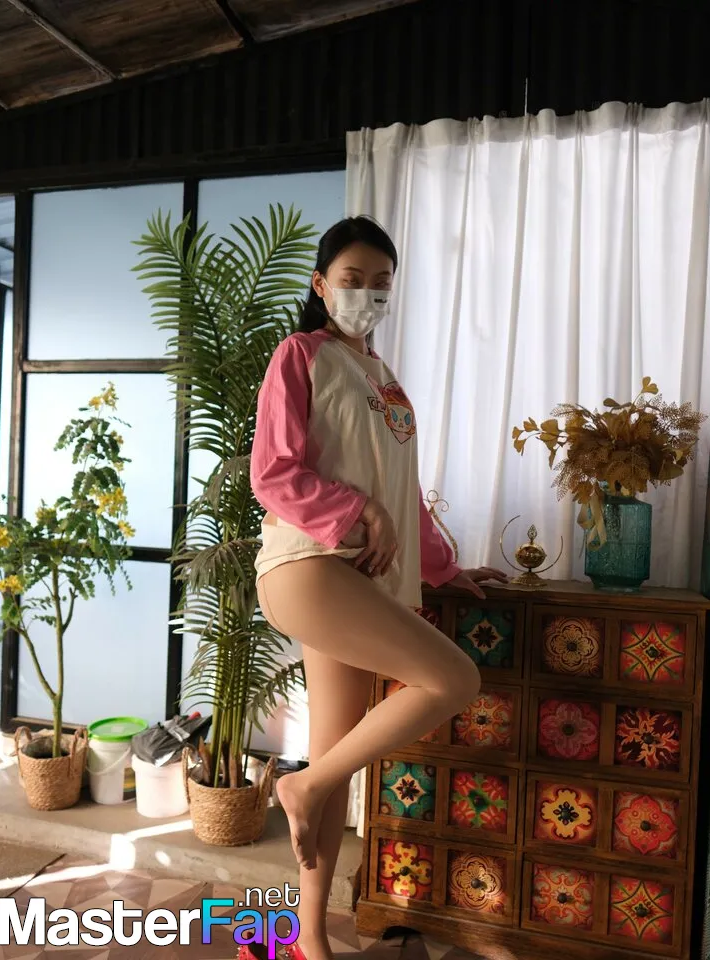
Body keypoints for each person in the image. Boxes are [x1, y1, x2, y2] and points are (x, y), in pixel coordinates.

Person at [244, 216, 508, 960]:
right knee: (454, 678)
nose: (367, 293)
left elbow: (403, 492)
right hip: (308, 567)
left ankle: (308, 941)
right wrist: (358, 511)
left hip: (360, 584)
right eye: (352, 280)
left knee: (331, 762)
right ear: (321, 284)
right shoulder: (301, 354)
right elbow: (273, 473)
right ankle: (300, 788)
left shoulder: (385, 379)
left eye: (381, 282)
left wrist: (446, 568)